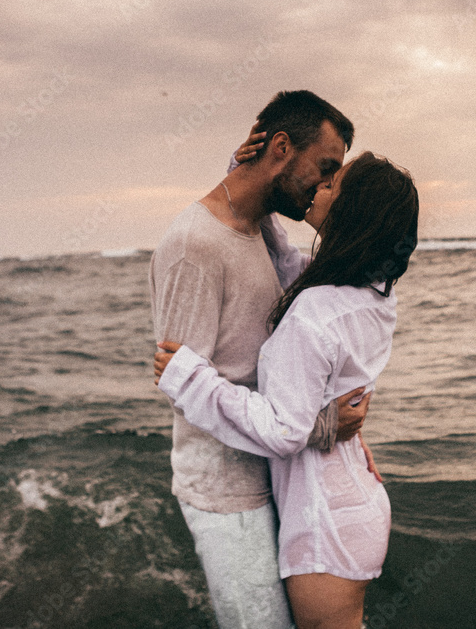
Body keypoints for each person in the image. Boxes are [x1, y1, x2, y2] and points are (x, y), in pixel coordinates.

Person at [155, 151, 420, 629]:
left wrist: (192, 380)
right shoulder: (374, 293)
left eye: (331, 186)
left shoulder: (316, 310)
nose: (319, 188)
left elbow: (283, 430)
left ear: (350, 213)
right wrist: (252, 173)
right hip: (351, 503)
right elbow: (284, 262)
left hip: (326, 522)